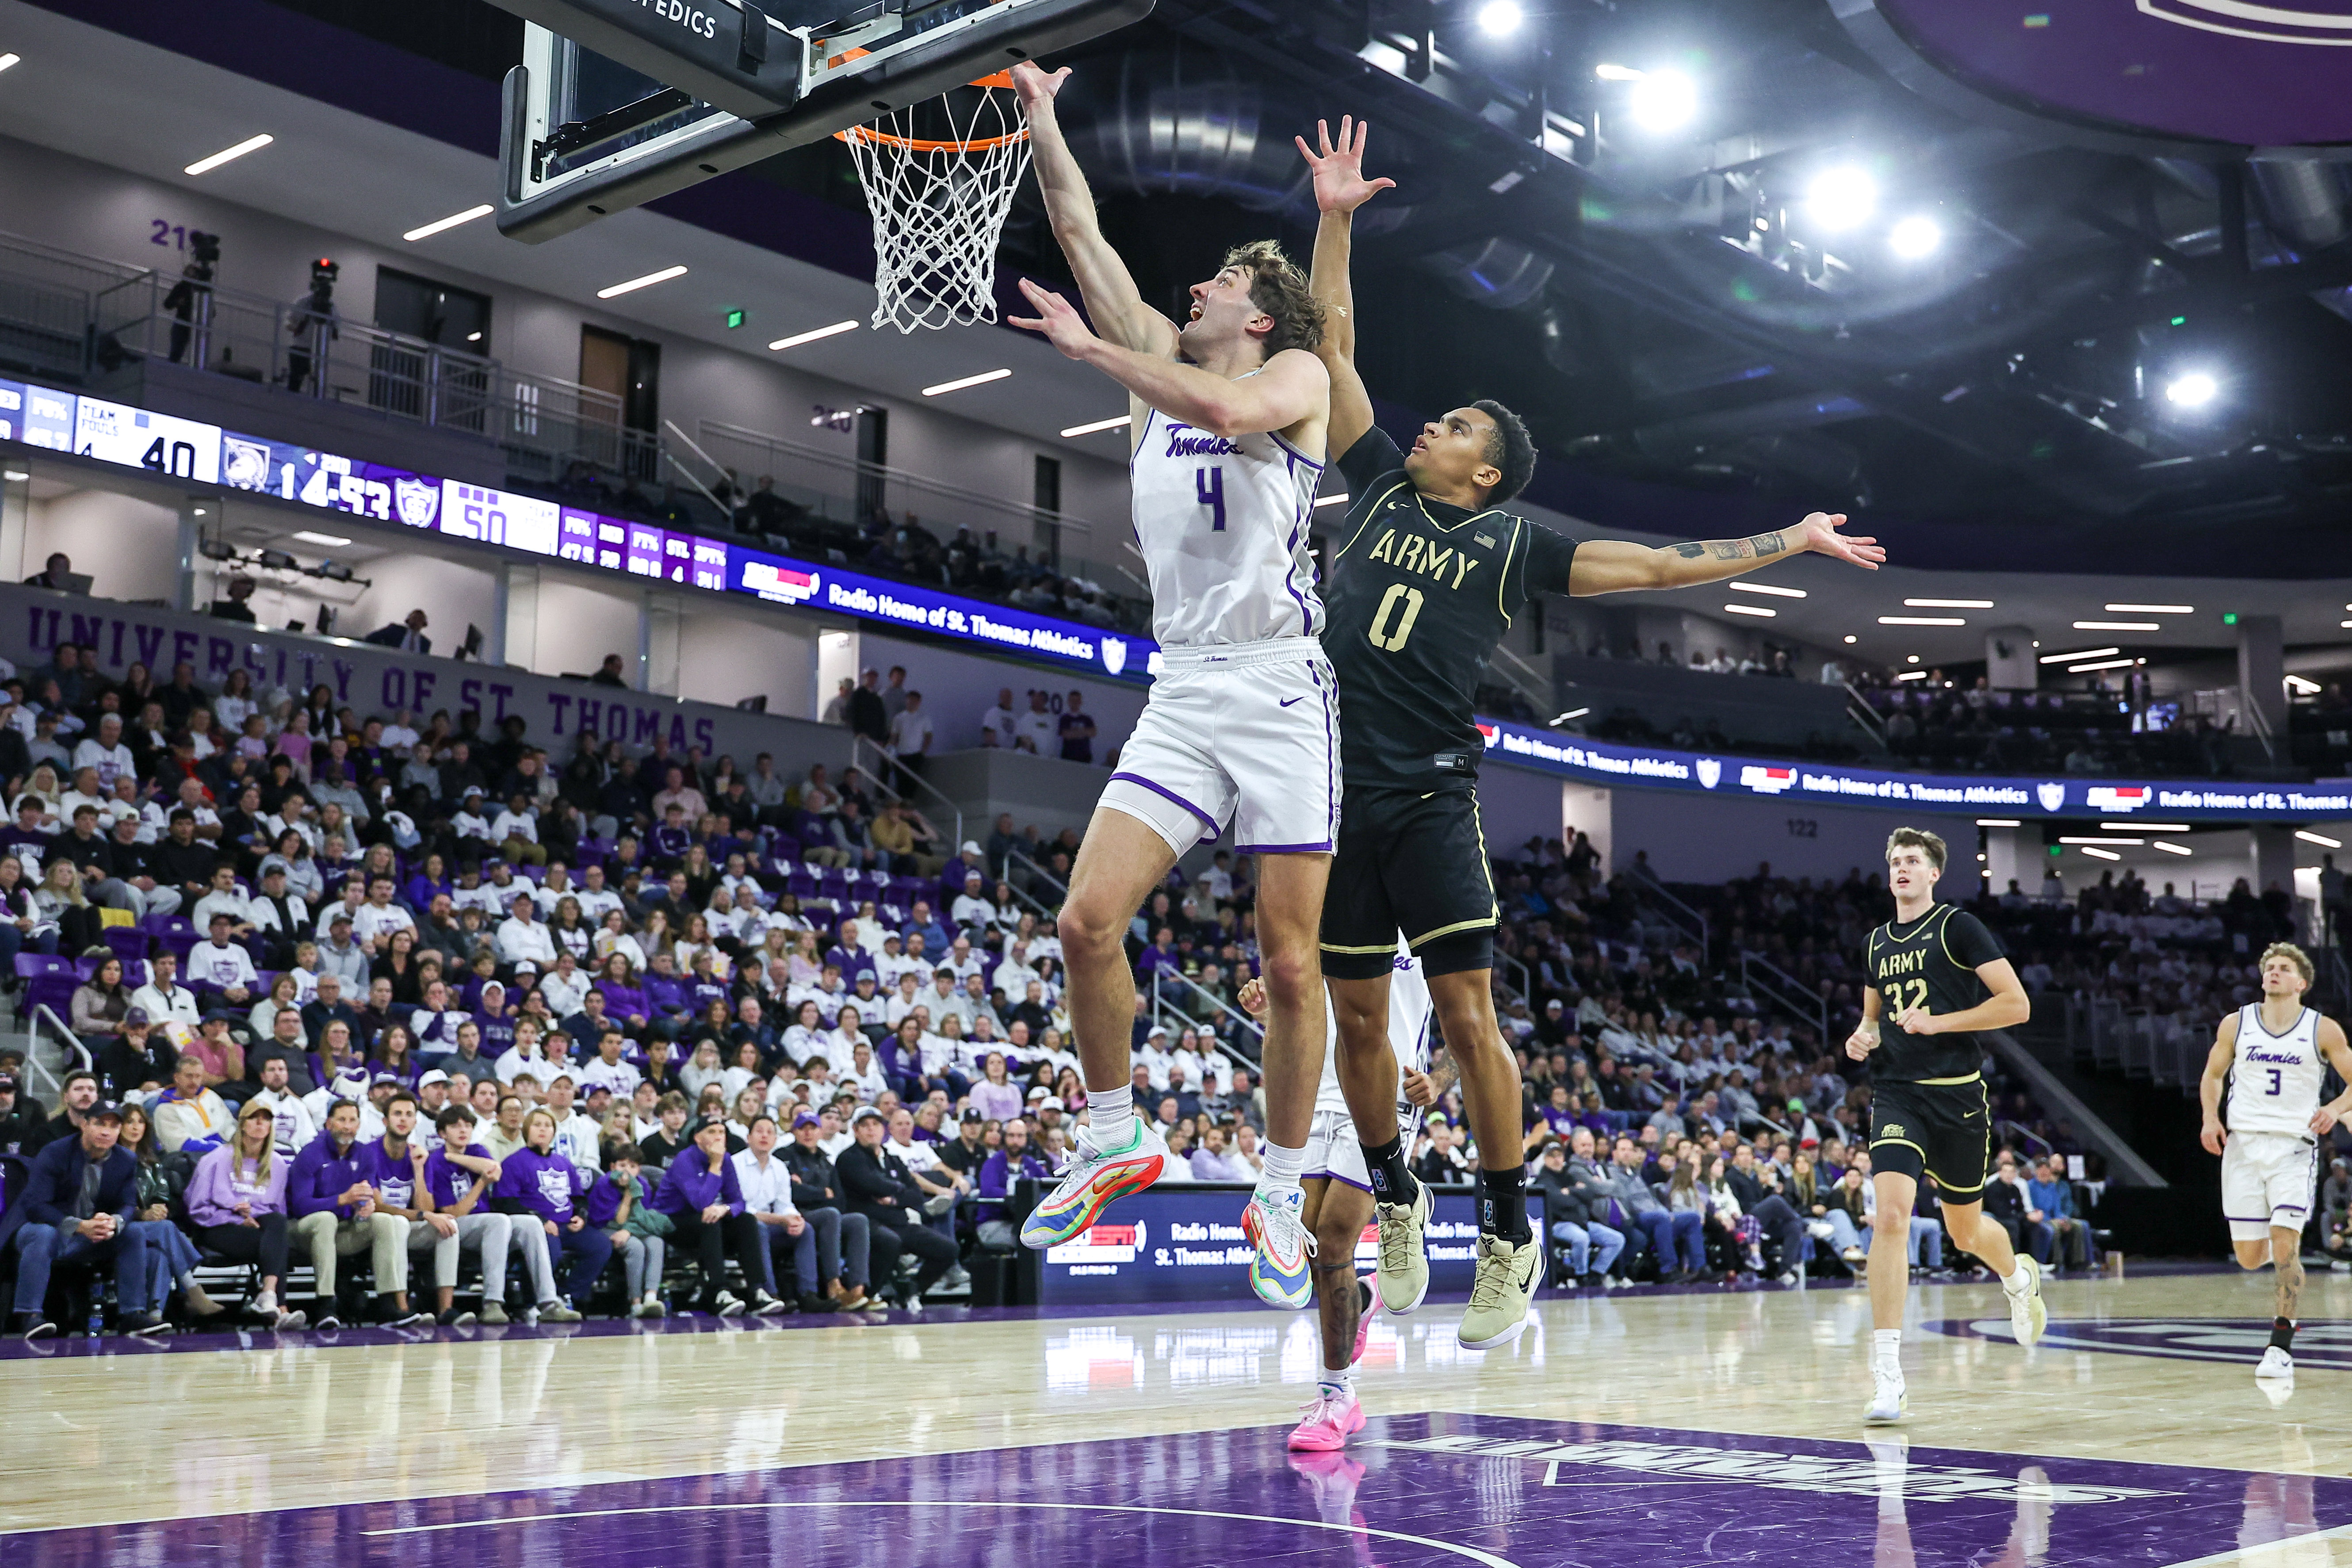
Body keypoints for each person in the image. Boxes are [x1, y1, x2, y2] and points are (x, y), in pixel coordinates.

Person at [1293, 116, 1886, 1350]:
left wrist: (1787, 538)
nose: (1427, 429)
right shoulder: (1379, 486)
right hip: (1329, 793)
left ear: (1486, 472)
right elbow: (1330, 342)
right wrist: (1335, 217)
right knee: (1357, 1023)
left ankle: (1504, 1228)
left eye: (1452, 427)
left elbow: (1668, 564)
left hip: (1424, 796)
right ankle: (1394, 1192)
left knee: (1465, 1019)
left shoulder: (1519, 543)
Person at [1008, 61, 1339, 1312]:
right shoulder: (1153, 354)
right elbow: (1077, 225)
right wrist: (1042, 115)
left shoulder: (1291, 381)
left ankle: (1274, 1184)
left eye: (1219, 281)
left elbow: (1213, 403)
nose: (1194, 285)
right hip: (1184, 684)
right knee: (1084, 923)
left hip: (1278, 688)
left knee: (1289, 964)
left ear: (1258, 316)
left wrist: (1093, 350)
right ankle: (1112, 1133)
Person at [1847, 826, 2042, 1423]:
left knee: (1963, 1233)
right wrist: (1864, 1034)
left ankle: (2015, 1276)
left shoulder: (1957, 927)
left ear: (1933, 873)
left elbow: (2015, 1005)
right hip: (1896, 1096)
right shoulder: (1874, 941)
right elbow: (1872, 1017)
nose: (1901, 868)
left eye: (1912, 861)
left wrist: (1940, 1022)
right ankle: (1887, 1376)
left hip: (1957, 1099)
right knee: (1889, 1217)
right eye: (1894, 861)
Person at [1240, 947, 1449, 1447]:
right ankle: (1360, 1297)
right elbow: (1311, 1014)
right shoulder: (1322, 916)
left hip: (1386, 1093)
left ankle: (1339, 1395)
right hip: (1315, 1092)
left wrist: (1439, 1080)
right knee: (1308, 1243)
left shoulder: (1423, 919)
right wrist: (1273, 1015)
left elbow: (1473, 1024)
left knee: (1335, 1242)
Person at [2199, 941, 2352, 1384]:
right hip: (2243, 1147)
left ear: (2301, 982)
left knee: (2285, 1246)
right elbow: (2212, 1075)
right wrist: (2210, 1118)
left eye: (2284, 968)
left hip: (2293, 1149)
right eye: (2270, 967)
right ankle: (2280, 1240)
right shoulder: (2237, 1023)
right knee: (2249, 1258)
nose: (2274, 973)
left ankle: (2280, 1347)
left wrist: (2335, 1109)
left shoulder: (2322, 1030)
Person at [4, 1098, 161, 1337]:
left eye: (114, 1127)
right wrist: (79, 1226)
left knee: (133, 1232)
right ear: (85, 1125)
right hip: (46, 1230)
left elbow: (128, 1204)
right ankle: (30, 1317)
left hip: (91, 1237)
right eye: (100, 1124)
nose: (107, 1132)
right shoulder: (56, 1152)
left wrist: (114, 1222)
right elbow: (35, 1206)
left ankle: (132, 1315)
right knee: (42, 1234)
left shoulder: (126, 1160)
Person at [288, 1098, 428, 1329]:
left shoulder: (364, 1154)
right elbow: (300, 1205)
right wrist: (343, 1200)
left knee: (384, 1220)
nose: (347, 1126)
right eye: (341, 1120)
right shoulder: (310, 1154)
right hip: (304, 1231)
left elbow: (364, 1197)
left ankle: (387, 1304)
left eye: (353, 1120)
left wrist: (365, 1207)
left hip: (344, 1229)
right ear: (328, 1124)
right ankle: (325, 1304)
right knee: (325, 1219)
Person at [186, 1101, 307, 1327]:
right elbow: (197, 1208)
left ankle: (269, 1294)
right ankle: (279, 1307)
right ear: (242, 1124)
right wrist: (237, 1219)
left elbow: (278, 1211)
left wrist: (257, 1222)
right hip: (216, 1227)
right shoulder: (215, 1159)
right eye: (254, 1118)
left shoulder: (278, 1165)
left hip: (260, 1229)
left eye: (266, 1118)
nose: (261, 1123)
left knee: (277, 1229)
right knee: (275, 1245)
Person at [838, 1103, 959, 1308]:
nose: (871, 1129)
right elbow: (872, 1183)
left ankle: (911, 1289)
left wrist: (894, 1198)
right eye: (865, 1125)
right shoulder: (849, 1158)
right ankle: (866, 1295)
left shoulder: (893, 1159)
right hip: (868, 1223)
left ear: (883, 1129)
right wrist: (897, 1188)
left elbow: (915, 1196)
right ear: (856, 1131)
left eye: (876, 1124)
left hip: (899, 1223)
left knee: (949, 1249)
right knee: (889, 1241)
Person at [650, 1116, 768, 1316]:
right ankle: (719, 1292)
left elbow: (739, 1202)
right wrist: (715, 1165)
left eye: (722, 1132)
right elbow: (700, 1203)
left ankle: (757, 1291)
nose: (718, 1137)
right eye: (712, 1132)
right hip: (673, 1222)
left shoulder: (727, 1159)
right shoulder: (685, 1160)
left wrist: (725, 1209)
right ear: (698, 1138)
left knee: (746, 1220)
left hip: (704, 1219)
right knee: (709, 1222)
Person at [493, 1108, 596, 1318]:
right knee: (551, 1251)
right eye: (537, 1125)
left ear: (554, 1132)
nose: (543, 1129)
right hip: (539, 1227)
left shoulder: (564, 1163)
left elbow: (578, 1197)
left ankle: (567, 1295)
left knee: (601, 1247)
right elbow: (505, 1202)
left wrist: (581, 1215)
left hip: (568, 1225)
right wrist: (540, 1220)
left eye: (547, 1125)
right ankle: (533, 1302)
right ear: (526, 1130)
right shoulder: (514, 1162)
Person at [733, 1113, 814, 1314]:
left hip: (770, 1224)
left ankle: (808, 1294)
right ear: (748, 1137)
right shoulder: (735, 1164)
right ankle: (769, 1294)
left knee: (806, 1229)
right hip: (738, 1227)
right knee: (756, 1227)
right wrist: (779, 1219)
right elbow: (739, 1207)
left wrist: (794, 1219)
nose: (764, 1136)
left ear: (776, 1140)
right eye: (759, 1131)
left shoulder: (779, 1167)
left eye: (770, 1133)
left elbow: (784, 1204)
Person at [583, 1143, 669, 1319]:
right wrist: (630, 1195)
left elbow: (643, 1218)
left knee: (656, 1242)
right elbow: (619, 1220)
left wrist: (629, 1231)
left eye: (633, 1167)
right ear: (613, 1167)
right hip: (605, 1227)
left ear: (639, 1169)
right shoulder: (604, 1184)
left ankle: (651, 1297)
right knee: (635, 1247)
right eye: (623, 1166)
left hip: (632, 1228)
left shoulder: (643, 1185)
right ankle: (635, 1303)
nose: (628, 1171)